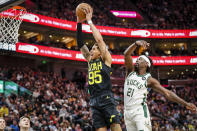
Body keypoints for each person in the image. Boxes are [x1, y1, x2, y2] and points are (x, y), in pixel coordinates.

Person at [123, 40, 197, 131]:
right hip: (127, 112)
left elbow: (167, 93)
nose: (137, 60)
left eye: (140, 59)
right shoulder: (130, 71)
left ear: (146, 64)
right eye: (137, 59)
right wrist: (135, 44)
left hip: (139, 111)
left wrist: (185, 103)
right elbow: (126, 54)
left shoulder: (149, 79)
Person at [76, 6, 122, 131]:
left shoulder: (106, 59)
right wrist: (79, 23)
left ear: (100, 52)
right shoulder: (90, 60)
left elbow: (99, 40)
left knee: (115, 127)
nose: (91, 51)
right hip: (94, 100)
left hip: (106, 97)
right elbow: (80, 43)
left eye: (94, 49)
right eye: (91, 49)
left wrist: (89, 21)